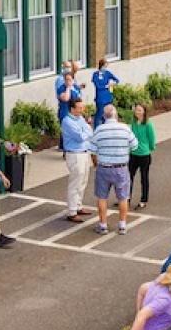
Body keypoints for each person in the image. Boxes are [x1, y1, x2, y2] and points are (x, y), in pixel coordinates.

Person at [88, 104, 137, 235]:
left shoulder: (99, 130)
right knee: (123, 197)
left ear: (104, 116)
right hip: (121, 168)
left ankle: (103, 225)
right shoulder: (125, 129)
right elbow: (134, 146)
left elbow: (92, 150)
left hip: (103, 168)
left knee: (102, 197)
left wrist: (96, 164)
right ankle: (122, 225)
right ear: (116, 115)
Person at [59, 98, 93, 223]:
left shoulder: (80, 118)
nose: (82, 110)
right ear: (72, 109)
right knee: (75, 181)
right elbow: (80, 137)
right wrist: (87, 129)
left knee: (83, 180)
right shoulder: (67, 121)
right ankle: (72, 211)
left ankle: (78, 205)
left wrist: (87, 130)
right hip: (74, 154)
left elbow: (89, 132)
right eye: (79, 108)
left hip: (84, 152)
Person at [128, 103, 156, 210]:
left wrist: (150, 148)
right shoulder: (134, 123)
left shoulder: (148, 124)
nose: (137, 112)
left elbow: (152, 139)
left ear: (144, 112)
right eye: (136, 110)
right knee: (129, 176)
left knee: (144, 177)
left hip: (144, 154)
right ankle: (127, 197)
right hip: (133, 153)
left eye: (140, 110)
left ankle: (143, 200)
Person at [90, 58, 120, 128]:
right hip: (100, 98)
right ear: (101, 66)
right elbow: (98, 86)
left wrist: (113, 83)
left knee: (107, 114)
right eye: (104, 66)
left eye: (106, 66)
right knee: (99, 114)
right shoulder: (96, 74)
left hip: (108, 97)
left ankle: (106, 127)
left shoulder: (107, 73)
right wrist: (107, 86)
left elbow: (117, 80)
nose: (105, 68)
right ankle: (96, 128)